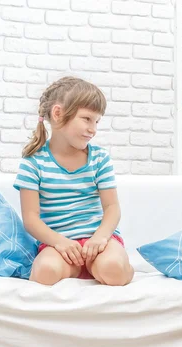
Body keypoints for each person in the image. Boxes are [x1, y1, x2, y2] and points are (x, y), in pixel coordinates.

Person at [14, 76, 133, 286]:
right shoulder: (33, 163)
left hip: (100, 242)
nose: (93, 129)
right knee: (45, 272)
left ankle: (125, 267)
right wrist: (60, 242)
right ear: (58, 114)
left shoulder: (99, 159)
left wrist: (101, 238)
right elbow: (31, 219)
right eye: (86, 119)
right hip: (60, 246)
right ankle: (75, 270)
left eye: (96, 121)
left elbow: (112, 207)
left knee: (114, 270)